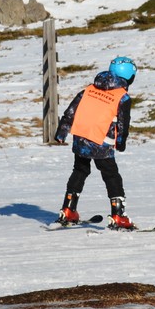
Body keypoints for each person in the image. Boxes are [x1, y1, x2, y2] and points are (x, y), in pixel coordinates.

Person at [54, 57, 137, 229]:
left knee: (80, 170)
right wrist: (120, 143)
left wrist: (61, 133)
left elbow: (70, 113)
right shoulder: (122, 97)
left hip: (81, 138)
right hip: (101, 142)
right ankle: (118, 216)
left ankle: (68, 210)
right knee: (111, 175)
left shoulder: (89, 89)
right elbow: (123, 125)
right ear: (130, 77)